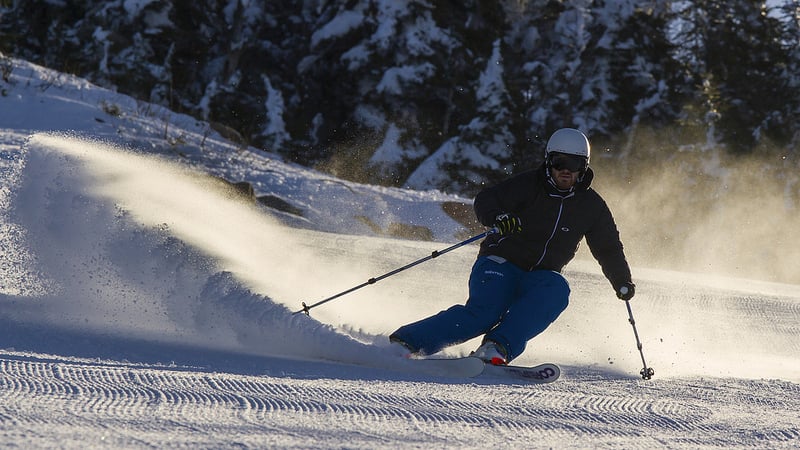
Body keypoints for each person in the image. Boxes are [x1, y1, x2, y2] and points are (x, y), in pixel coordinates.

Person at [389, 128, 635, 365]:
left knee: (557, 289)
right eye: (560, 163)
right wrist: (499, 218)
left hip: (540, 276)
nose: (566, 171)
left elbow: (608, 248)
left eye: (575, 165)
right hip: (500, 263)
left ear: (584, 167)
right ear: (549, 161)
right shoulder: (528, 185)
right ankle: (407, 343)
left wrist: (621, 280)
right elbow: (486, 200)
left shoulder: (591, 206)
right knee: (485, 314)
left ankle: (496, 347)